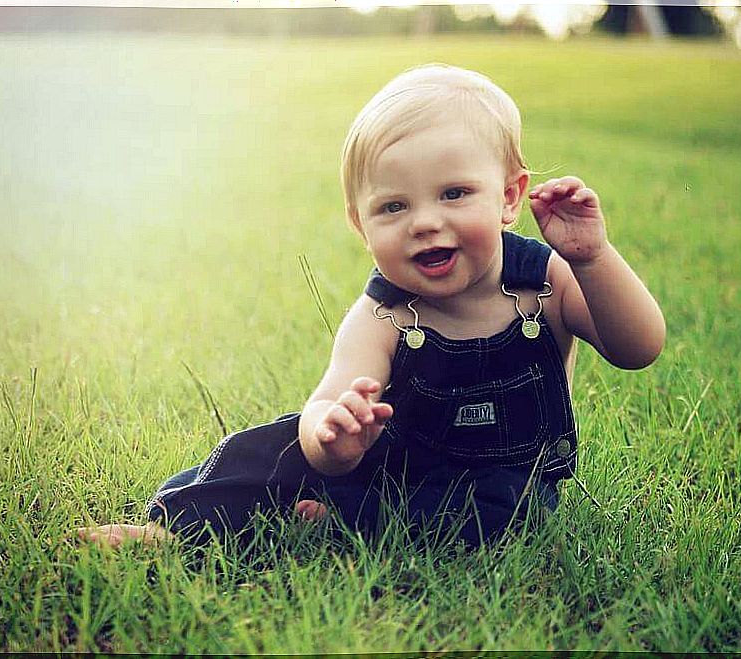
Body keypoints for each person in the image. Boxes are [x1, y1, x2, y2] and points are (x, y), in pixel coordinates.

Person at [77, 63, 665, 550]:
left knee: (491, 515)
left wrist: (593, 260)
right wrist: (329, 439)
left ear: (509, 196)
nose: (426, 222)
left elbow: (637, 348)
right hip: (389, 460)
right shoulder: (383, 315)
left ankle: (338, 528)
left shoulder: (548, 282)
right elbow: (330, 398)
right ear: (361, 225)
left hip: (499, 479)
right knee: (268, 451)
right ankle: (173, 529)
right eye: (393, 207)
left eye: (455, 193)